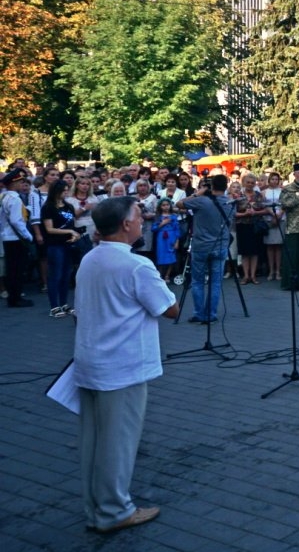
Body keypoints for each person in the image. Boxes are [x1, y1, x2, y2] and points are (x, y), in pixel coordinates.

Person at [74, 195, 180, 533]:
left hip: (91, 361)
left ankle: (97, 508)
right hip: (121, 366)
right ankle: (114, 511)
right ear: (125, 224)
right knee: (118, 442)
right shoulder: (136, 265)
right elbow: (170, 309)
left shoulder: (90, 258)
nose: (142, 219)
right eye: (138, 214)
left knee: (94, 441)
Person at [179, 174, 235, 322]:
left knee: (197, 281)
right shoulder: (230, 202)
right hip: (220, 245)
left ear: (211, 186)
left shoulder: (201, 201)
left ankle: (199, 313)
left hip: (201, 246)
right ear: (226, 186)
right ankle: (211, 314)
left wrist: (198, 193)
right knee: (215, 282)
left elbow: (179, 204)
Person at [40, 179, 82, 317]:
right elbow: (49, 229)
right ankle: (54, 306)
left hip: (68, 244)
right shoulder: (48, 207)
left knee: (66, 275)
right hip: (55, 245)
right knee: (55, 275)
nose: (66, 192)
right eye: (63, 190)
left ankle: (64, 303)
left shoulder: (69, 206)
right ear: (56, 191)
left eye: (67, 190)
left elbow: (72, 224)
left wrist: (75, 235)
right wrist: (70, 231)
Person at [1, 170, 35, 307]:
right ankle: (16, 298)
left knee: (12, 269)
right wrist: (28, 235)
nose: (22, 184)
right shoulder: (15, 199)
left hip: (7, 236)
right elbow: (16, 221)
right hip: (16, 238)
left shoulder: (3, 196)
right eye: (20, 182)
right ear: (13, 183)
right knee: (17, 270)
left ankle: (13, 297)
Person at [151, 199, 181, 282]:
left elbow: (177, 230)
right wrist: (162, 223)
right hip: (161, 238)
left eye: (167, 205)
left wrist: (177, 241)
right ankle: (160, 275)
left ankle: (167, 275)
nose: (166, 207)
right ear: (160, 207)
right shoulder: (158, 217)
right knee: (161, 256)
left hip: (171, 237)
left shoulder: (173, 216)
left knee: (171, 256)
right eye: (163, 205)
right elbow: (153, 229)